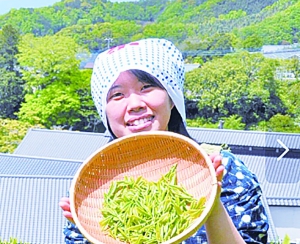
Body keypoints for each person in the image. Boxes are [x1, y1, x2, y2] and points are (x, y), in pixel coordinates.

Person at [59, 38, 269, 244]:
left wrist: (213, 207)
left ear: (172, 98)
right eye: (117, 95)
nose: (134, 104)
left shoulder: (224, 170)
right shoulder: (92, 190)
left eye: (146, 87)